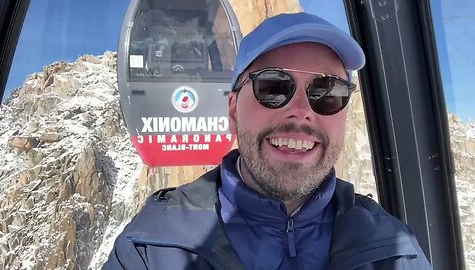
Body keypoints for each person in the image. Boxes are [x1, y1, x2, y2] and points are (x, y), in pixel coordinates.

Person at [104, 12, 432, 269]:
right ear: (233, 109)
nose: (302, 112)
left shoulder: (394, 250)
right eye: (274, 87)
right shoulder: (150, 249)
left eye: (328, 92)